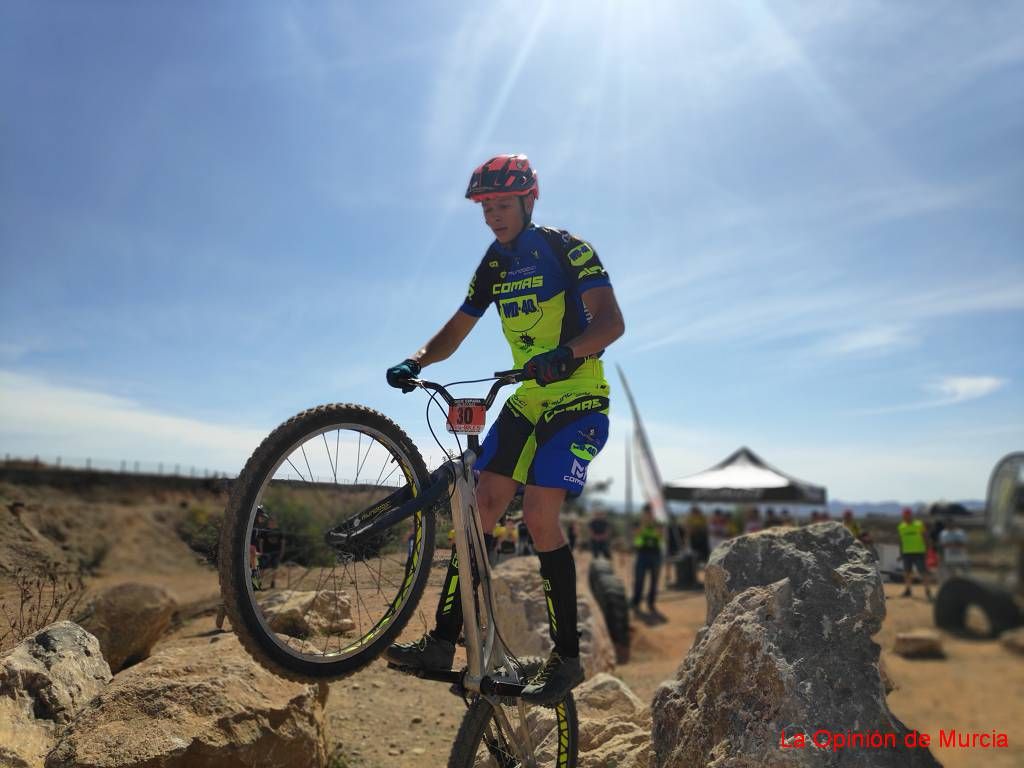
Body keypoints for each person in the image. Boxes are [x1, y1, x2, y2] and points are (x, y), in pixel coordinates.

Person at [382, 154, 625, 705]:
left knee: (540, 515)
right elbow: (457, 327)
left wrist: (566, 353)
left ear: (528, 200)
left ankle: (566, 659)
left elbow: (611, 323)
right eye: (485, 207)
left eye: (502, 205)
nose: (493, 215)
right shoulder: (493, 263)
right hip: (528, 399)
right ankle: (442, 642)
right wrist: (417, 361)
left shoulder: (567, 247)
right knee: (479, 508)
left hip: (580, 397)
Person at [631, 505, 663, 612]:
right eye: (647, 513)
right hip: (642, 554)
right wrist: (643, 524)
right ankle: (636, 602)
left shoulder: (658, 523)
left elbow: (660, 534)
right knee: (639, 580)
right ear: (643, 513)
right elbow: (635, 534)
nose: (649, 515)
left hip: (655, 554)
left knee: (654, 581)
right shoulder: (637, 523)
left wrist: (653, 524)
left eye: (651, 513)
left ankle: (651, 603)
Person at [897, 507, 933, 600]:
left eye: (907, 515)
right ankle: (908, 590)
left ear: (911, 515)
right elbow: (901, 541)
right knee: (907, 573)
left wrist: (928, 549)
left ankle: (928, 591)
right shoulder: (901, 527)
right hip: (906, 553)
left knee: (923, 572)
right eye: (904, 515)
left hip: (919, 552)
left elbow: (925, 536)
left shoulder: (919, 524)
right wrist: (901, 553)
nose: (906, 517)